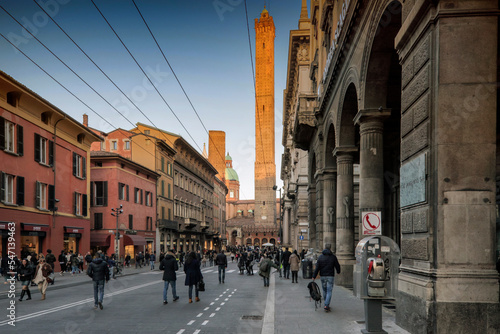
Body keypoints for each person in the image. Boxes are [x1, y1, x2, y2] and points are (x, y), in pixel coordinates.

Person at [312, 243, 341, 312]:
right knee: (329, 291)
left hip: (322, 276)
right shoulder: (333, 257)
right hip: (330, 276)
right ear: (330, 248)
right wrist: (338, 271)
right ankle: (326, 304)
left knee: (324, 290)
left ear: (325, 248)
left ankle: (326, 303)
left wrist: (314, 276)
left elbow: (317, 268)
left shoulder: (320, 257)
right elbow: (337, 265)